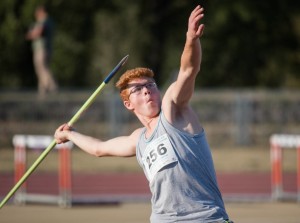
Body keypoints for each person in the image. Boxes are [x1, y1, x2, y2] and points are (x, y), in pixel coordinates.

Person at [54, 5, 233, 223]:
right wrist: (69, 134)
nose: (147, 89)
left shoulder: (173, 110)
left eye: (150, 85)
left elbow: (188, 70)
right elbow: (99, 148)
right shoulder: (138, 140)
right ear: (128, 104)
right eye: (138, 89)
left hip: (205, 219)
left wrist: (191, 41)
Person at [26, 5, 57, 97]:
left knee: (42, 69)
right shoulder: (49, 21)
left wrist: (32, 34)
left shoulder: (44, 21)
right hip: (46, 49)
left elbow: (37, 33)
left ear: (41, 12)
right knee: (42, 70)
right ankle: (42, 94)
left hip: (41, 49)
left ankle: (53, 88)